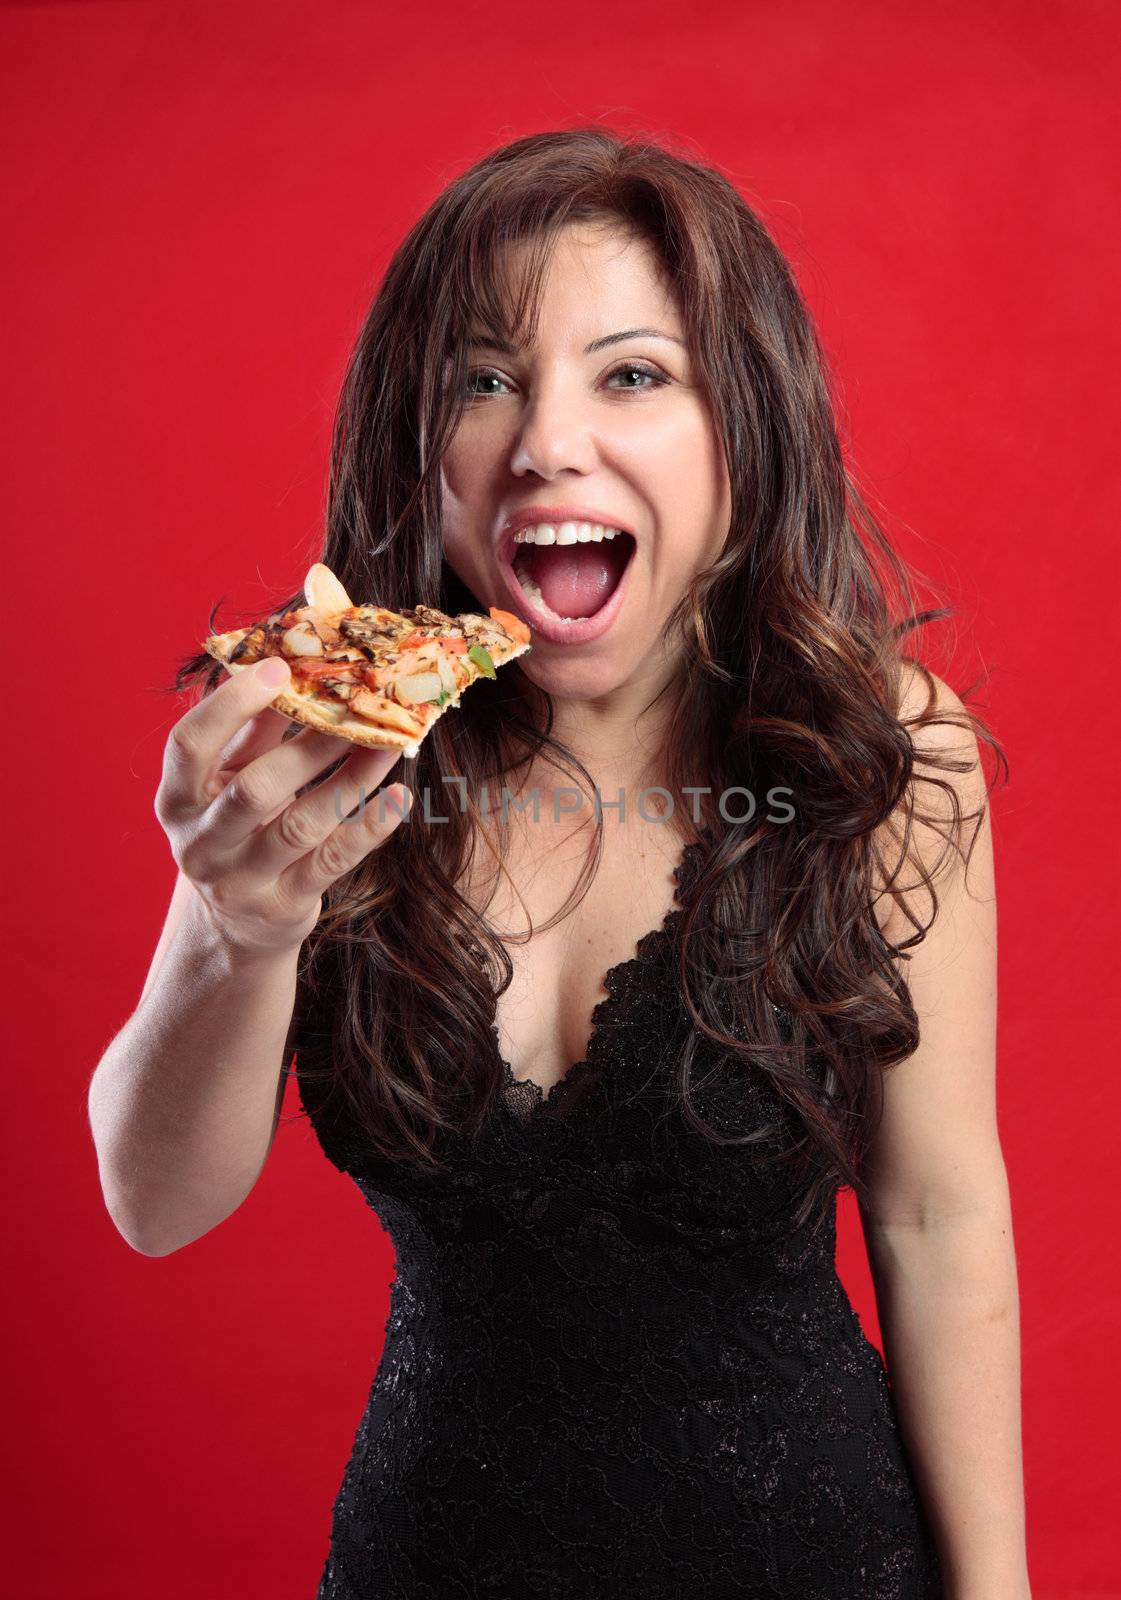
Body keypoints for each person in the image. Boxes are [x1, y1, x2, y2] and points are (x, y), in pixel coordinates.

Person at [88, 129, 1030, 1598]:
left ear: (744, 426)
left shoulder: (876, 755)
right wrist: (236, 929)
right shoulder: (334, 732)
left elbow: (935, 1210)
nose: (543, 441)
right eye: (481, 380)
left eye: (632, 374)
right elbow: (156, 1205)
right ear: (422, 446)